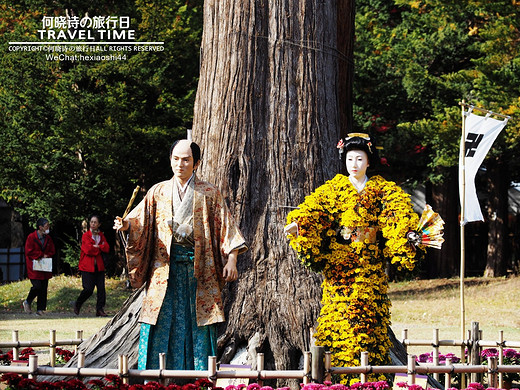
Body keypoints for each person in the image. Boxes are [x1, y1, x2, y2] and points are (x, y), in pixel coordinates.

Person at [285, 133, 423, 384]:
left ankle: (373, 378)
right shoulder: (333, 189)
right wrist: (300, 224)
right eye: (350, 159)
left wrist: (408, 235)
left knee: (372, 319)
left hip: (370, 265)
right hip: (340, 268)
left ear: (369, 162)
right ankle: (336, 378)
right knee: (339, 317)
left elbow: (398, 215)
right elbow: (314, 210)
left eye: (360, 158)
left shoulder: (384, 189)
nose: (355, 164)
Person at [114, 139, 247, 371]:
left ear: (196, 163)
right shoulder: (158, 191)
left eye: (186, 159)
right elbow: (139, 222)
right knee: (157, 321)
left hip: (200, 271)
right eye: (175, 159)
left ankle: (201, 377)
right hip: (163, 269)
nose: (180, 164)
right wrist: (126, 225)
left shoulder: (209, 193)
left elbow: (227, 227)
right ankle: (153, 377)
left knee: (200, 324)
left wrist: (232, 259)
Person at [73, 215, 110, 317]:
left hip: (99, 266)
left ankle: (100, 309)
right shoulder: (86, 236)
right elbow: (88, 250)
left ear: (99, 224)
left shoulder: (101, 235)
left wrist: (97, 246)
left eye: (95, 222)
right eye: (91, 222)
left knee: (101, 289)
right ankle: (78, 303)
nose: (93, 224)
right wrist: (99, 248)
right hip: (87, 266)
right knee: (88, 289)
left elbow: (107, 248)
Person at [23, 217, 56, 316]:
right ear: (40, 227)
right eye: (46, 226)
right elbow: (29, 251)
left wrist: (47, 255)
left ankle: (40, 309)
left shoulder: (48, 238)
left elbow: (52, 250)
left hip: (44, 267)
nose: (48, 228)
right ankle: (27, 301)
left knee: (44, 287)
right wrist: (41, 255)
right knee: (37, 286)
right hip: (34, 266)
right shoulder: (31, 237)